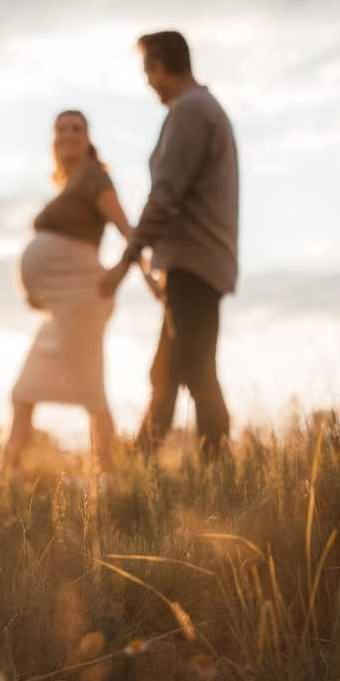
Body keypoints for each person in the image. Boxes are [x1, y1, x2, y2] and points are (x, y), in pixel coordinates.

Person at [100, 30, 239, 458]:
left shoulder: (191, 111)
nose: (147, 82)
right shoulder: (201, 109)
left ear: (161, 65)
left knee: (195, 371)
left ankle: (216, 475)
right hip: (195, 263)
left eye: (148, 71)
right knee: (167, 372)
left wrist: (127, 258)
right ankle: (140, 468)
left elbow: (166, 194)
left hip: (194, 265)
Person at [5, 110, 135, 471]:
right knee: (24, 392)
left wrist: (121, 272)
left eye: (76, 129)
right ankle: (8, 482)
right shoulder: (70, 183)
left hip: (81, 302)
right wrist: (38, 288)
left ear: (88, 138)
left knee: (91, 392)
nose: (68, 135)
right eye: (61, 129)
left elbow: (130, 232)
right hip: (60, 304)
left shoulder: (94, 178)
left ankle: (105, 477)